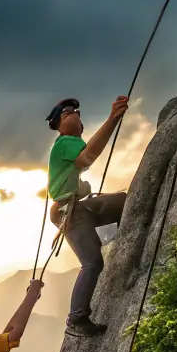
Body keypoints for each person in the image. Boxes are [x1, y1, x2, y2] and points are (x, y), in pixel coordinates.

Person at [46, 95, 130, 337]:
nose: (77, 114)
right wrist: (113, 119)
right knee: (92, 262)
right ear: (60, 122)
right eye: (70, 112)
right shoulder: (65, 142)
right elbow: (86, 158)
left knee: (124, 202)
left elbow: (83, 162)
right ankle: (76, 318)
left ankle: (116, 242)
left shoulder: (67, 144)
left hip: (77, 208)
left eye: (78, 112)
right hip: (70, 212)